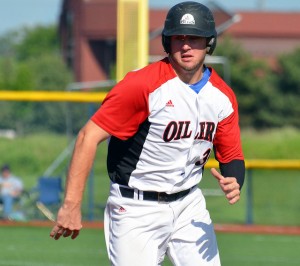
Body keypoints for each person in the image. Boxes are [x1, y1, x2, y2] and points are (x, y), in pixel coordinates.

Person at [50, 1, 245, 265]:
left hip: (189, 205)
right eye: (179, 38)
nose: (186, 46)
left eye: (195, 38)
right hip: (136, 208)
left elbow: (231, 155)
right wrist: (71, 205)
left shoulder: (222, 96)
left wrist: (234, 181)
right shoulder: (142, 84)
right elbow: (88, 137)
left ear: (209, 42)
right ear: (167, 42)